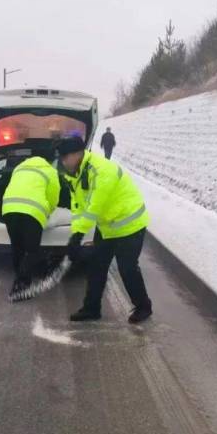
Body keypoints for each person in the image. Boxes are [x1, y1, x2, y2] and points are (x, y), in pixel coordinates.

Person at [58, 136, 152, 323]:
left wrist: (78, 236)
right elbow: (78, 207)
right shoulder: (75, 174)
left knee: (127, 268)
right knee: (97, 266)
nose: (62, 162)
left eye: (64, 157)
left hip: (130, 224)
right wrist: (76, 233)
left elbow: (94, 207)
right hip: (109, 226)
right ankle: (91, 309)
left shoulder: (102, 170)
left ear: (77, 154)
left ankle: (144, 307)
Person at [1, 156, 61, 300]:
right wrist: (49, 210)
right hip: (33, 212)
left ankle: (21, 279)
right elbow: (53, 196)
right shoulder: (50, 171)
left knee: (17, 246)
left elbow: (12, 186)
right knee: (32, 250)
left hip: (9, 208)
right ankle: (21, 284)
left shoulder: (19, 168)